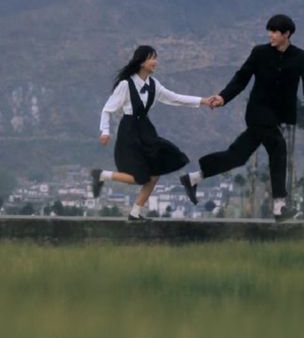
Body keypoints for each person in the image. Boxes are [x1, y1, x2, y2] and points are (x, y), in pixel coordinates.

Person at [179, 14, 304, 221]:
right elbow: (241, 78)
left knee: (238, 156)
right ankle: (280, 207)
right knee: (278, 148)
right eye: (269, 31)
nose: (270, 35)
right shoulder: (260, 53)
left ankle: (193, 178)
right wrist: (223, 97)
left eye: (274, 31)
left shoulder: (300, 57)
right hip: (258, 112)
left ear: (286, 34)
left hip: (277, 114)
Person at [91, 45, 213, 221]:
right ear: (141, 62)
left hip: (146, 131)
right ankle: (102, 175)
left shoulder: (154, 85)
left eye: (155, 58)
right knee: (140, 177)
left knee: (156, 171)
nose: (155, 62)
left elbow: (175, 98)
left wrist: (203, 101)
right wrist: (105, 131)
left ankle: (135, 212)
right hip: (129, 132)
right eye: (151, 58)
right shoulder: (126, 84)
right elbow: (107, 109)